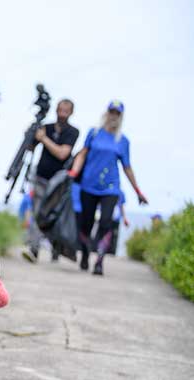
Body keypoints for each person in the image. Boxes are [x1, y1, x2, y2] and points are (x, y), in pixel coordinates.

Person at [69, 100, 148, 275]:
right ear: (106, 113)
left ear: (121, 116)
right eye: (111, 111)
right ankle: (85, 254)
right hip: (88, 185)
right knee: (85, 224)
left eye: (117, 113)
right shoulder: (94, 133)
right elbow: (82, 154)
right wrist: (74, 172)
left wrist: (138, 191)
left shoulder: (123, 141)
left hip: (111, 188)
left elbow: (127, 167)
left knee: (106, 222)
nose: (113, 115)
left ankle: (99, 261)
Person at [22, 98, 79, 264]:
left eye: (65, 111)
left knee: (52, 215)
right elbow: (30, 147)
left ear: (71, 113)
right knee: (38, 212)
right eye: (60, 110)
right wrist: (31, 135)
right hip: (41, 176)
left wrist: (44, 139)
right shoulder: (45, 127)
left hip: (58, 182)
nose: (62, 114)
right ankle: (34, 248)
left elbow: (62, 153)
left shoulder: (72, 132)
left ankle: (56, 248)